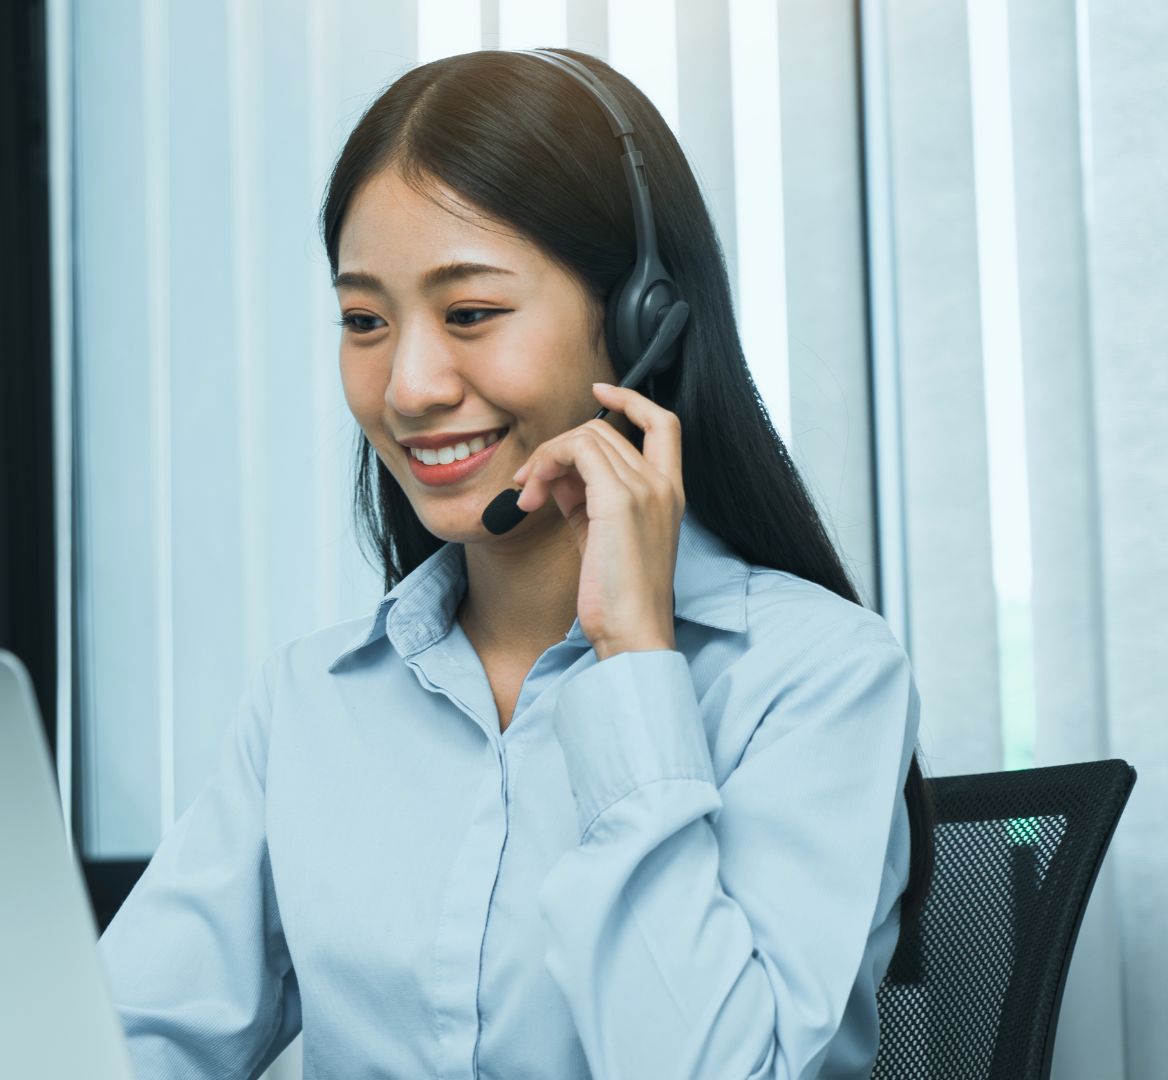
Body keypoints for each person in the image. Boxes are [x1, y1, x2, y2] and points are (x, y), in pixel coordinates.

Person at [97, 47, 934, 1080]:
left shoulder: (816, 677)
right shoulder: (308, 706)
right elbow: (123, 1044)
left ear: (641, 320)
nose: (406, 386)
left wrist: (635, 665)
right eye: (365, 321)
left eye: (469, 315)